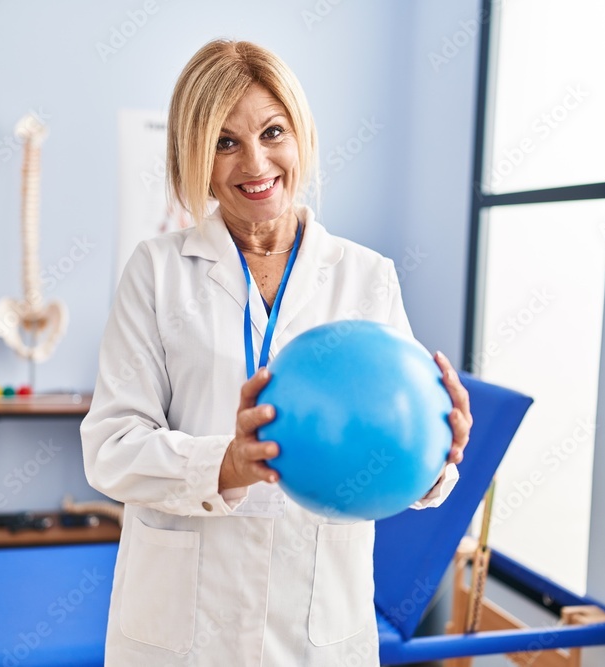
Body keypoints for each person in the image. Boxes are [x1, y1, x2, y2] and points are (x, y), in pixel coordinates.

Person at [81, 39, 473, 667]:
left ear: (301, 137)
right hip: (180, 630)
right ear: (196, 158)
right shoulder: (157, 272)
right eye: (225, 141)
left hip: (315, 628)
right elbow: (109, 448)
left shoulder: (366, 276)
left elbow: (403, 460)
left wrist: (437, 454)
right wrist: (226, 464)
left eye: (272, 132)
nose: (255, 161)